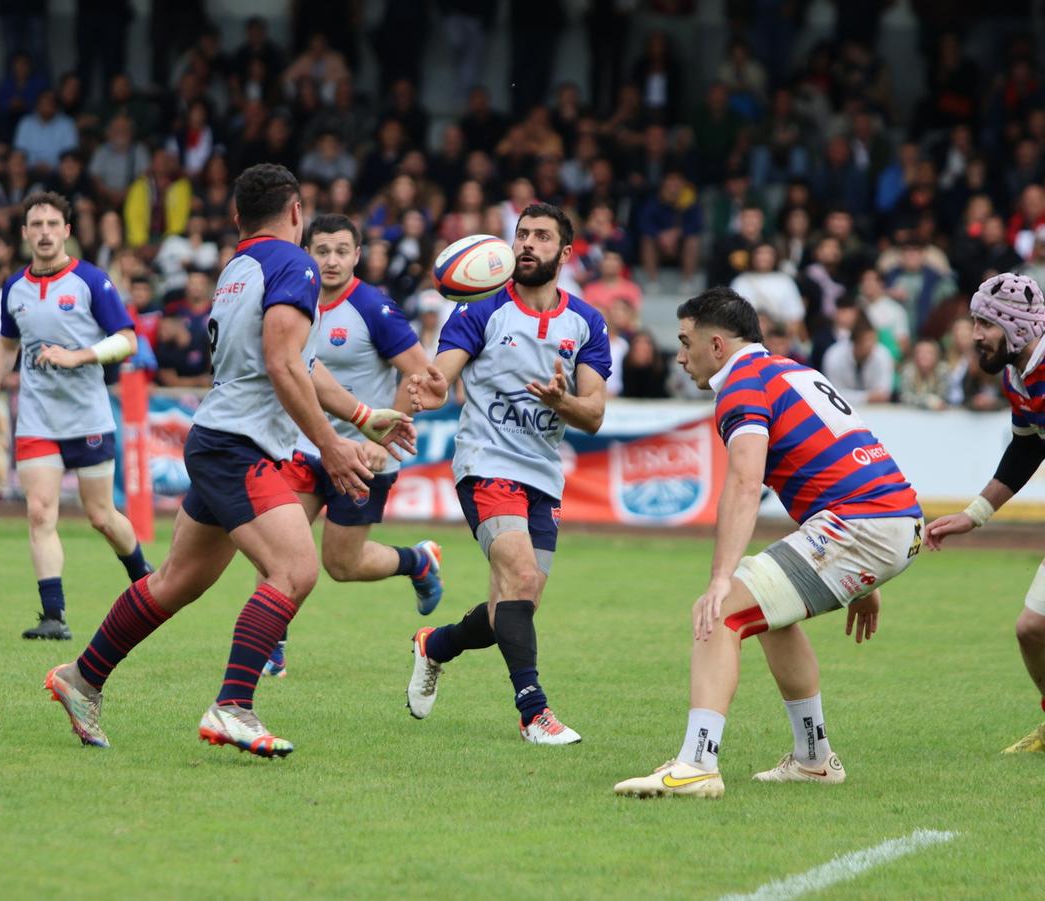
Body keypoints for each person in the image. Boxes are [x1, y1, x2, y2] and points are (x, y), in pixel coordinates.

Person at [40, 164, 414, 756]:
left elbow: (303, 363)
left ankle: (81, 679)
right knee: (294, 571)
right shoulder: (295, 264)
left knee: (176, 582)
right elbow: (283, 363)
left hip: (216, 437)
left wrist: (365, 418)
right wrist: (332, 445)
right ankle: (233, 706)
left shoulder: (239, 267)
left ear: (238, 217)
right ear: (296, 213)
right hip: (237, 445)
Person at [613, 287, 922, 799]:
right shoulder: (794, 371)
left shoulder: (740, 385)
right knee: (771, 616)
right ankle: (814, 759)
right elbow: (838, 459)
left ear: (717, 345)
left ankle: (696, 763)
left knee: (721, 611)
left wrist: (718, 579)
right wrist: (867, 578)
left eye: (686, 342)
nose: (680, 355)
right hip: (894, 519)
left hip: (862, 524)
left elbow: (743, 481)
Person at [404, 202, 611, 745]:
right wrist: (430, 387)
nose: (527, 244)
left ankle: (436, 645)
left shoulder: (586, 322)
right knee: (518, 579)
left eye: (541, 237)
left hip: (543, 474)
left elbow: (593, 414)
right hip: (486, 462)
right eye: (521, 234)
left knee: (514, 609)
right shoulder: (480, 310)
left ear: (564, 253)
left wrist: (563, 401)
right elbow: (442, 374)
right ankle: (533, 713)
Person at [261, 213, 440, 679]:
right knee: (279, 547)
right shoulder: (292, 301)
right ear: (307, 254)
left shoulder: (374, 308)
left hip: (362, 454)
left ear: (358, 256)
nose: (332, 260)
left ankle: (417, 562)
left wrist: (383, 434)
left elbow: (419, 372)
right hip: (301, 446)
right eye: (322, 251)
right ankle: (270, 644)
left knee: (341, 564)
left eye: (342, 251)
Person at [0, 191, 153, 640]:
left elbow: (128, 341)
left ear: (67, 231)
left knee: (100, 516)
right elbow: (8, 343)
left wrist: (78, 357)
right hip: (37, 420)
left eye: (53, 224)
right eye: (36, 225)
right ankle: (53, 616)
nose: (45, 232)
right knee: (39, 513)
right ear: (24, 234)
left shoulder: (92, 281)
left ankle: (146, 582)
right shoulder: (14, 289)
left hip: (87, 418)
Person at [925, 274, 1045, 753]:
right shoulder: (1020, 376)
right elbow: (1025, 450)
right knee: (1032, 629)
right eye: (975, 321)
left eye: (985, 323)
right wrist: (974, 514)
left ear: (1017, 328)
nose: (974, 334)